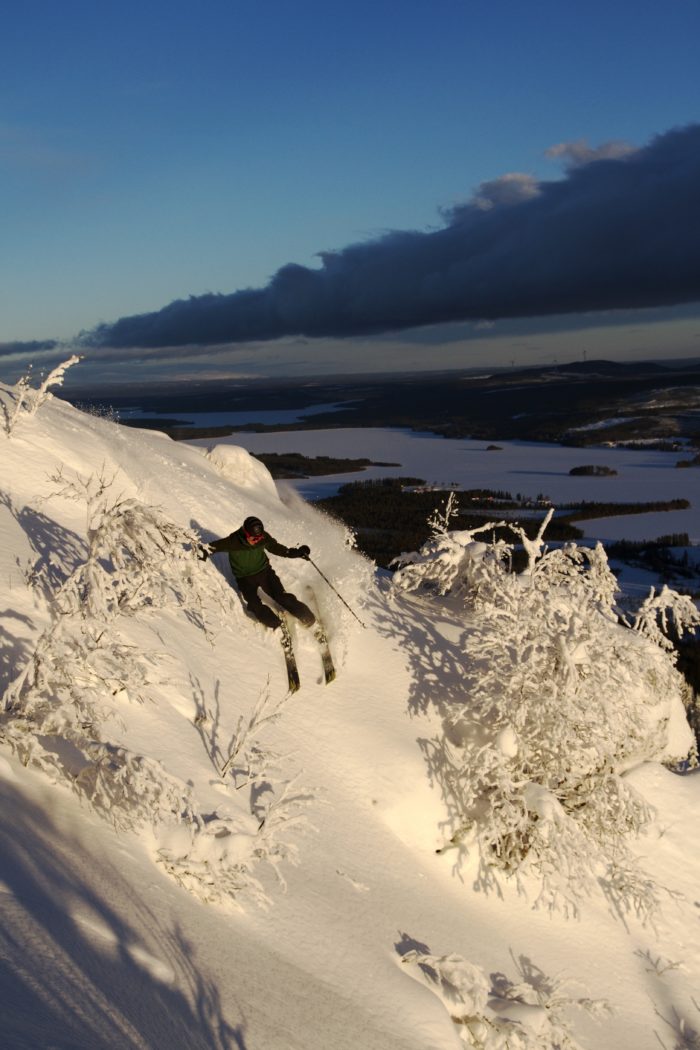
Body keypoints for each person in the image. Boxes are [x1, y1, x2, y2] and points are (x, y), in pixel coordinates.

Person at [200, 516, 315, 630]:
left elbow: (276, 548)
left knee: (282, 597)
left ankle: (308, 618)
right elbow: (210, 547)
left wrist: (296, 553)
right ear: (245, 533)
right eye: (254, 538)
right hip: (245, 579)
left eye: (259, 538)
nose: (257, 540)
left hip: (264, 572)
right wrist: (202, 552)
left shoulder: (262, 537)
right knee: (254, 605)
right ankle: (275, 624)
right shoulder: (233, 542)